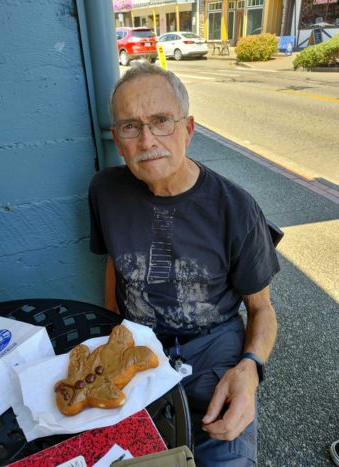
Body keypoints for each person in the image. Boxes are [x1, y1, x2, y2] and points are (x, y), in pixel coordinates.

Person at [88, 62, 280, 466]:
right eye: (129, 127)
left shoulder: (236, 208)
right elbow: (113, 262)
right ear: (118, 142)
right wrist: (112, 328)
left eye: (161, 121)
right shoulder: (104, 191)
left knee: (225, 457)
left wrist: (250, 369)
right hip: (138, 348)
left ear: (188, 130)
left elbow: (261, 308)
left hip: (214, 348)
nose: (146, 140)